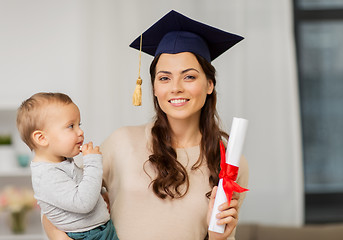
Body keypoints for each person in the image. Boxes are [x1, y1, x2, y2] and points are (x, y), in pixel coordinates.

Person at [42, 10, 248, 240]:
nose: (176, 87)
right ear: (153, 88)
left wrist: (217, 236)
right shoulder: (121, 143)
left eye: (189, 77)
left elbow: (223, 235)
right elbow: (54, 203)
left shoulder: (229, 161)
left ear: (209, 84)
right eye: (164, 78)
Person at [16, 92, 119, 240]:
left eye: (79, 124)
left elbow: (79, 186)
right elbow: (83, 203)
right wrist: (92, 162)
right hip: (87, 235)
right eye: (71, 126)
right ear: (42, 138)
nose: (80, 132)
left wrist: (102, 194)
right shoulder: (47, 175)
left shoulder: (61, 161)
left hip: (97, 229)